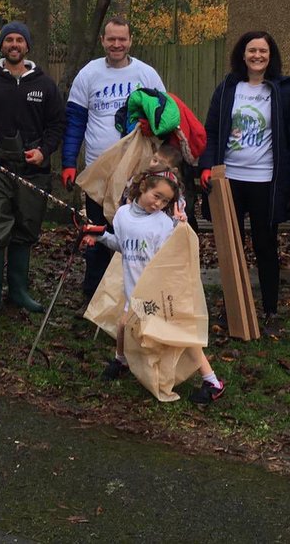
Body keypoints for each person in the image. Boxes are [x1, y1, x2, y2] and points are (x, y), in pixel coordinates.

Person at [81, 170, 224, 404]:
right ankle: (121, 360)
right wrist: (100, 236)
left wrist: (180, 227)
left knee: (180, 337)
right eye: (156, 196)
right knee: (123, 327)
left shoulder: (163, 223)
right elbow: (122, 245)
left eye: (165, 201)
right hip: (133, 290)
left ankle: (212, 381)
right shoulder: (122, 215)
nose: (158, 204)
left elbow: (173, 255)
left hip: (156, 293)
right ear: (143, 186)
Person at [0, 21, 65, 318]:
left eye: (20, 40)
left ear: (27, 46)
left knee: (25, 229)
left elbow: (57, 124)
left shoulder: (44, 85)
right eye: (9, 40)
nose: (14, 45)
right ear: (2, 46)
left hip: (32, 171)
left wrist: (44, 151)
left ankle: (19, 291)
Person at [62, 18, 165, 304]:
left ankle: (135, 292)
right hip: (99, 170)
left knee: (134, 231)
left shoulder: (146, 74)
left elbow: (166, 117)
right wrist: (69, 161)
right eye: (111, 39)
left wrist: (152, 127)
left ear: (130, 40)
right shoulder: (89, 74)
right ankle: (94, 293)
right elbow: (74, 121)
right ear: (103, 41)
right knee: (97, 231)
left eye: (122, 39)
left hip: (138, 173)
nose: (117, 45)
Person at [199, 31, 290, 332]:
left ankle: (269, 311)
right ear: (242, 55)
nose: (257, 56)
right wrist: (207, 166)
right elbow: (212, 130)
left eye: (263, 51)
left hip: (266, 180)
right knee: (231, 245)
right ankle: (233, 308)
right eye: (252, 50)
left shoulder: (282, 91)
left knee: (266, 245)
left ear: (271, 56)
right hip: (229, 179)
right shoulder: (229, 88)